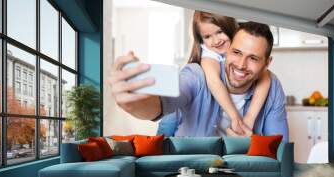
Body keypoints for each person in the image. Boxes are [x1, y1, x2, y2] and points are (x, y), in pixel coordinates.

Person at [108, 22, 289, 141]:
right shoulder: (197, 75)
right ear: (227, 49)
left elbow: (279, 150)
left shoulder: (271, 88)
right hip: (189, 175)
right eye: (236, 53)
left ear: (267, 63)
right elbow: (160, 104)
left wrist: (252, 143)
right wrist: (133, 103)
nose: (241, 65)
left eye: (253, 58)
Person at [157, 11, 271, 136]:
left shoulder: (240, 42)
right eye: (207, 37)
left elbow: (266, 77)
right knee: (167, 124)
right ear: (201, 40)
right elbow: (214, 82)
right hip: (178, 111)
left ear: (229, 28)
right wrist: (234, 116)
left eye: (219, 32)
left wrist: (249, 119)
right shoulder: (209, 56)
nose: (216, 41)